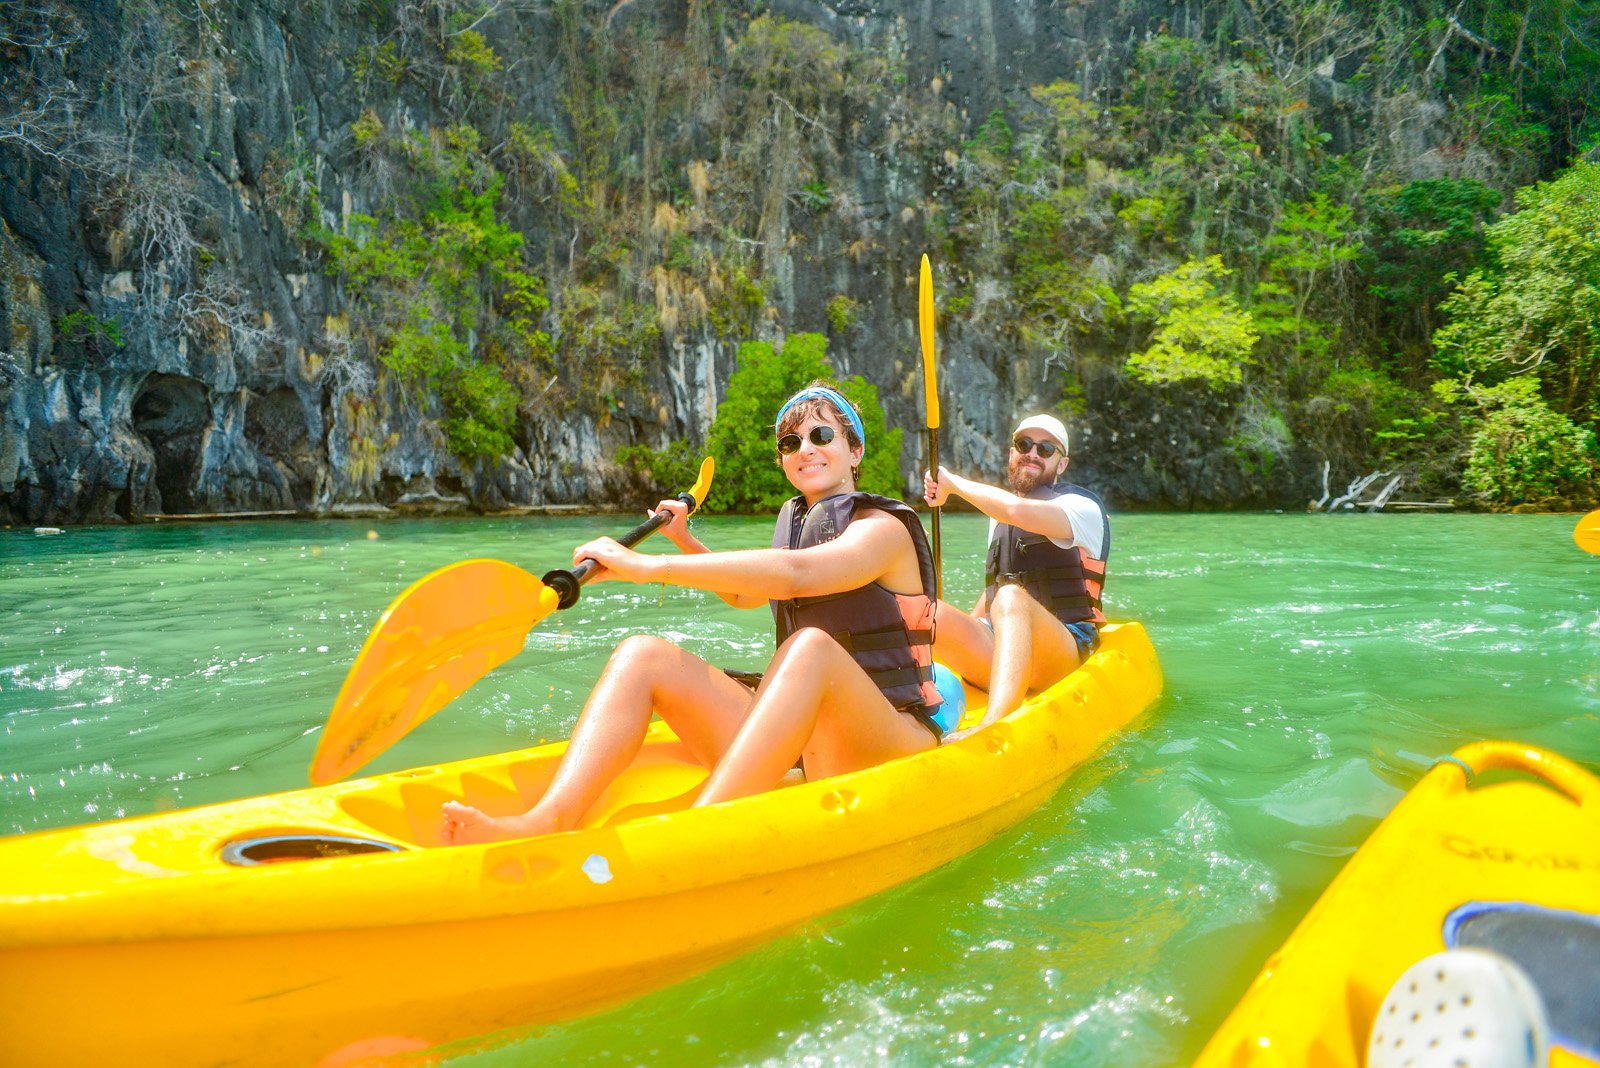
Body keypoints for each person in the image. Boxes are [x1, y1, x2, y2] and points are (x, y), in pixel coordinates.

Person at [442, 382, 945, 845]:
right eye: (791, 443)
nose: (805, 449)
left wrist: (648, 566)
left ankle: (697, 832)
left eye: (821, 435)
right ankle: (547, 819)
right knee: (643, 656)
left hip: (887, 735)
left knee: (810, 647)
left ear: (854, 451)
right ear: (782, 461)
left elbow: (799, 575)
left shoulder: (883, 528)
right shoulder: (793, 520)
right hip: (807, 742)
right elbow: (748, 595)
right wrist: (683, 542)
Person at [922, 414, 1108, 741]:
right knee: (925, 610)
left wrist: (950, 484)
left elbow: (1016, 512)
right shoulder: (998, 522)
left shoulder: (1082, 509)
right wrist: (961, 632)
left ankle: (994, 724)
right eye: (1024, 445)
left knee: (1011, 596)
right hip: (1002, 641)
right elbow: (993, 596)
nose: (1033, 453)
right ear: (1012, 454)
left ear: (1061, 464)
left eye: (1046, 448)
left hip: (1063, 647)